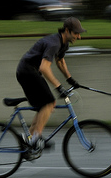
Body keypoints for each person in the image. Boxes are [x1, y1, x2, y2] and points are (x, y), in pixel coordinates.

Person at [16, 17, 86, 155]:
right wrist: (59, 87)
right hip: (27, 72)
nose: (79, 36)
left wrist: (70, 79)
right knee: (49, 102)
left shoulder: (63, 43)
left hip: (31, 72)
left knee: (45, 106)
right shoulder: (54, 43)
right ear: (67, 31)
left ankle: (28, 139)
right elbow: (44, 67)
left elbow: (60, 61)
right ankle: (36, 138)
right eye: (76, 33)